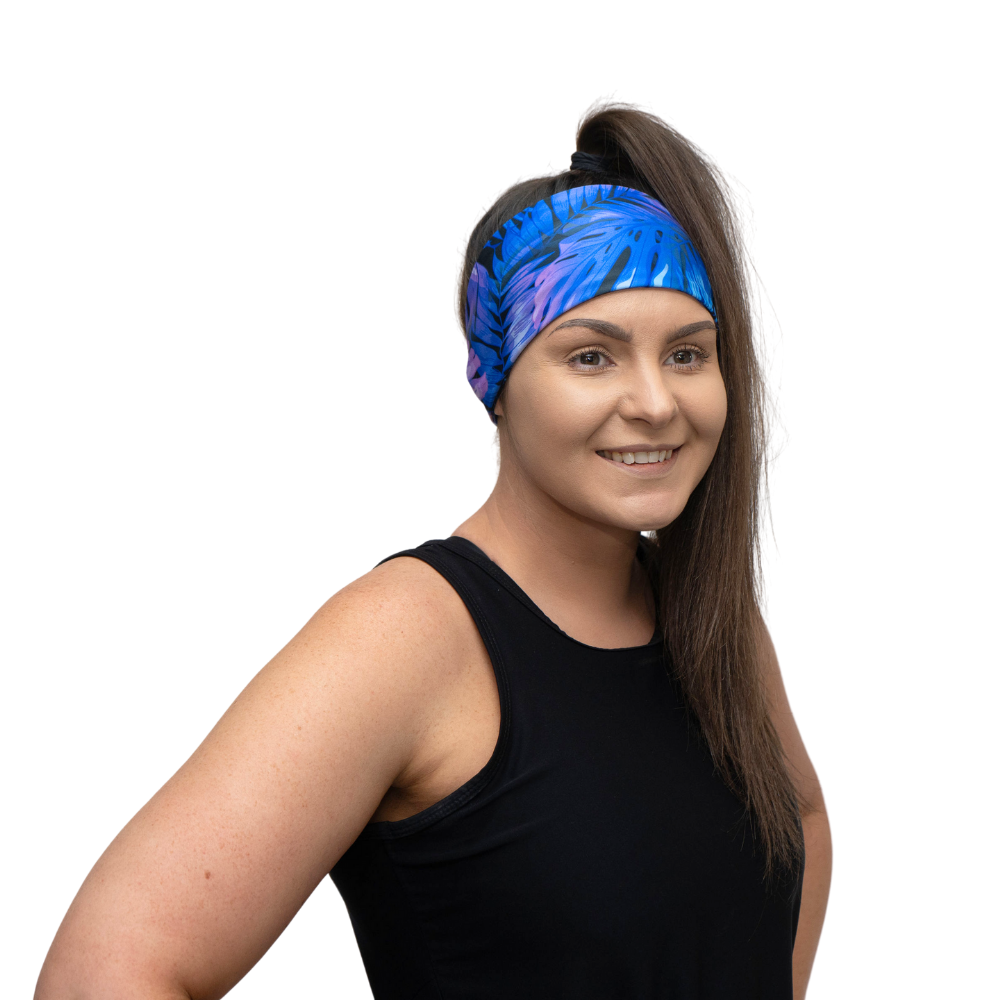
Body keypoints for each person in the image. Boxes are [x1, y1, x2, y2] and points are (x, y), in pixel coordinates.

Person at [35, 104, 832, 1000]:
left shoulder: (707, 614)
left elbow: (799, 817)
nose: (655, 402)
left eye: (687, 354)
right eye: (591, 358)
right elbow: (106, 973)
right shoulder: (409, 636)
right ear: (498, 382)